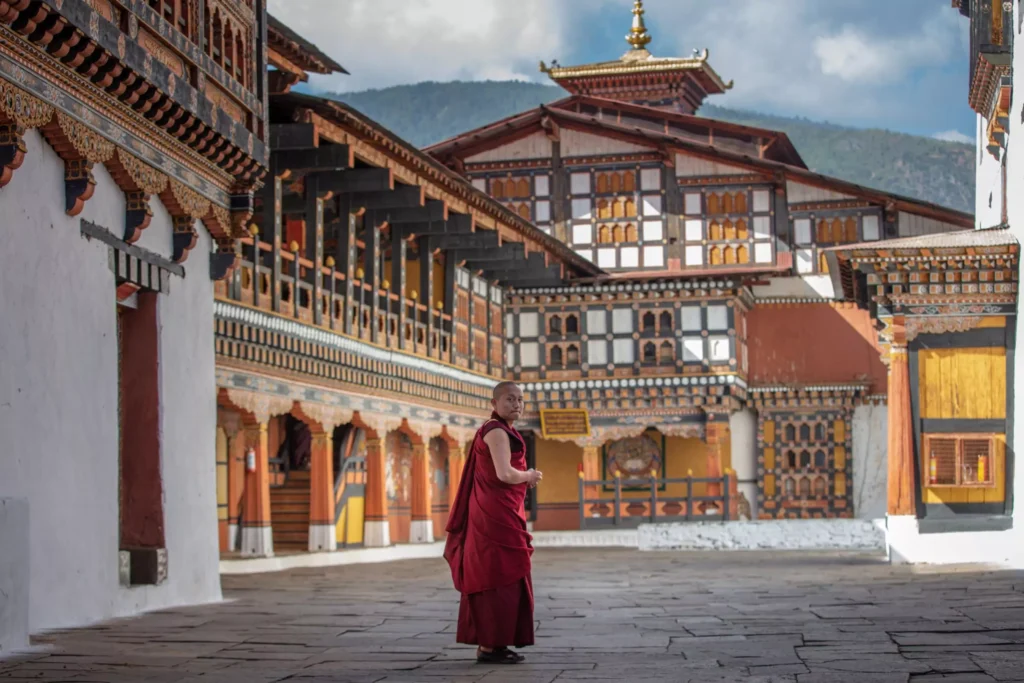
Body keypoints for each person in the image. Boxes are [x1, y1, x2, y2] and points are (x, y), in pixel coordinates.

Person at [443, 381, 543, 664]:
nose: (517, 405)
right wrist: (529, 475)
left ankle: (495, 643)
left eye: (521, 400)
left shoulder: (503, 430)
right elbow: (505, 474)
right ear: (494, 403)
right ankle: (489, 646)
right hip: (495, 515)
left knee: (501, 574)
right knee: (497, 573)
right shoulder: (496, 430)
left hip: (500, 510)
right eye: (510, 399)